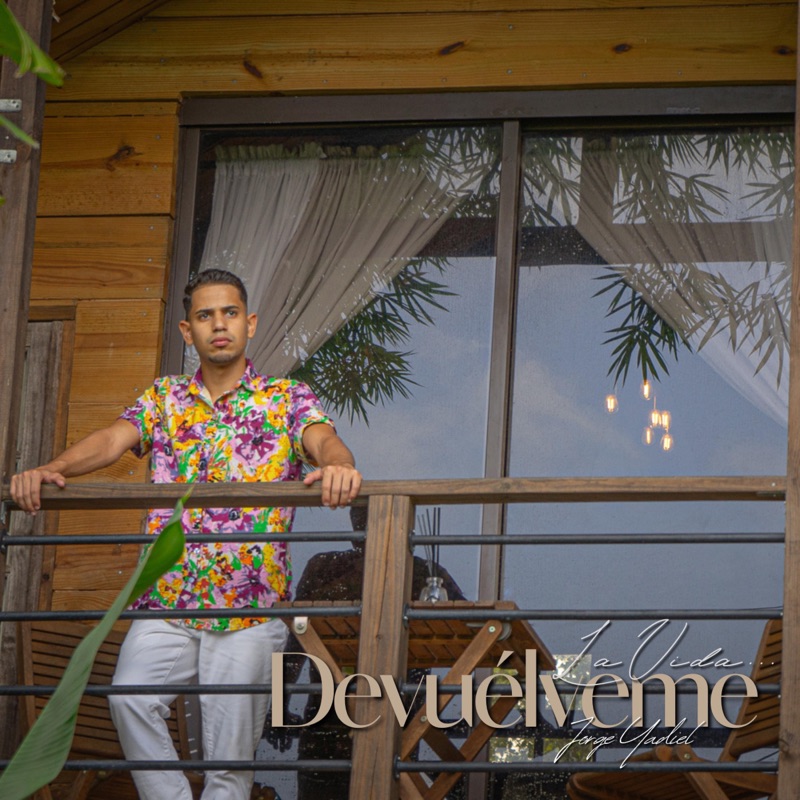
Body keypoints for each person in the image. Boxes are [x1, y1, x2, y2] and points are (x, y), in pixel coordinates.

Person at [11, 268, 362, 800]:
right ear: (187, 330)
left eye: (230, 313)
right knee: (129, 697)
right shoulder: (164, 397)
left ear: (249, 323)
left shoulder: (286, 397)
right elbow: (110, 440)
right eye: (205, 315)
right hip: (168, 601)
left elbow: (324, 440)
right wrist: (50, 468)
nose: (219, 325)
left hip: (248, 610)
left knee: (227, 765)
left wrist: (341, 465)